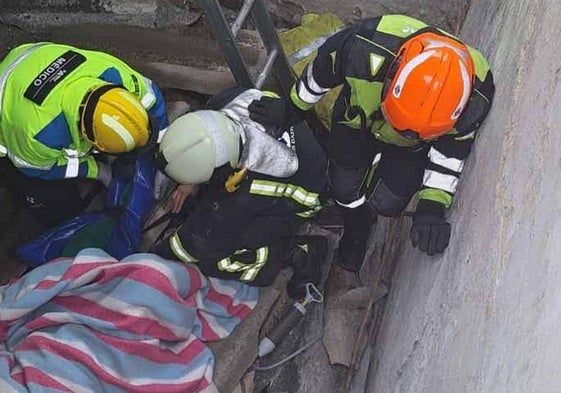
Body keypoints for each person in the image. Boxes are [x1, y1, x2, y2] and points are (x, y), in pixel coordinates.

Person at [249, 14, 495, 272]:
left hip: (410, 148)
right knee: (343, 185)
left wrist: (432, 205)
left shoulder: (476, 97)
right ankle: (357, 225)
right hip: (357, 118)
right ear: (393, 73)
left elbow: (451, 152)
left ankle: (377, 193)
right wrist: (293, 107)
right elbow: (321, 73)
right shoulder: (363, 45)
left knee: (388, 202)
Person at [153, 87, 328, 298]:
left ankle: (297, 252)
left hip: (302, 201)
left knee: (215, 259)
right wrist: (191, 180)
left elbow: (194, 244)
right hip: (310, 153)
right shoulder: (231, 101)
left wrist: (155, 257)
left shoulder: (244, 189)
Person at [0, 42, 168, 226]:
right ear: (92, 141)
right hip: (12, 114)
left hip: (35, 58)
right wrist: (99, 172)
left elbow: (153, 99)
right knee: (52, 200)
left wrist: (164, 158)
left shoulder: (116, 74)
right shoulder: (39, 136)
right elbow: (40, 169)